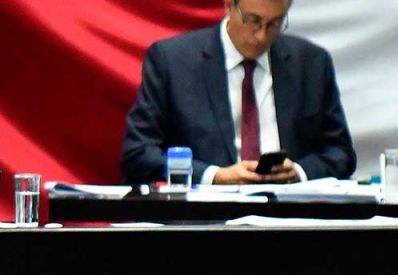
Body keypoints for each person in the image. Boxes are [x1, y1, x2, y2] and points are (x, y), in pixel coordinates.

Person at [119, 0, 353, 186]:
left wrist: (299, 172)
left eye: (274, 23)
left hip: (290, 217)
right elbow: (138, 154)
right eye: (253, 20)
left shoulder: (311, 63)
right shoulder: (173, 62)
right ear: (229, 5)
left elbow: (341, 153)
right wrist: (214, 176)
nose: (261, 35)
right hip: (205, 219)